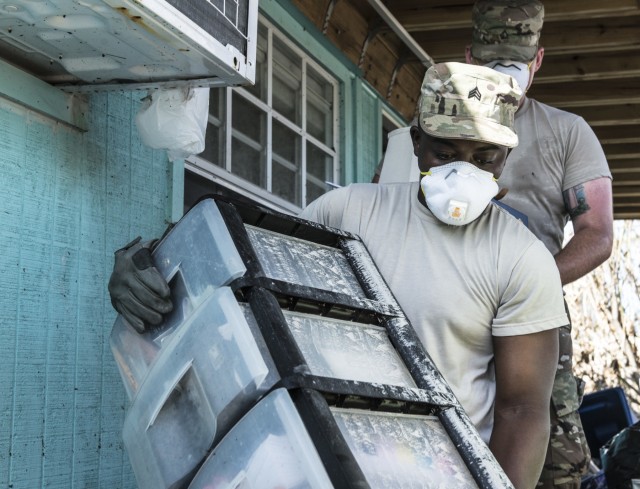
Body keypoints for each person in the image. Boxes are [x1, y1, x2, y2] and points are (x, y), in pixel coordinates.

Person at [109, 62, 567, 488]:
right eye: (445, 153)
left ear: (507, 155)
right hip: (313, 460)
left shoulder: (522, 258)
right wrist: (151, 259)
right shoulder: (347, 212)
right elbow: (244, 280)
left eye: (485, 158)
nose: (463, 172)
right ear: (415, 143)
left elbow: (522, 410)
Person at [465, 2, 614, 488]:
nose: (504, 75)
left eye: (515, 62)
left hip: (531, 309)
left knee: (556, 460)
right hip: (449, 303)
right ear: (469, 56)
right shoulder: (435, 126)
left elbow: (597, 235)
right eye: (492, 63)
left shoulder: (567, 132)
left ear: (538, 60)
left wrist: (532, 282)